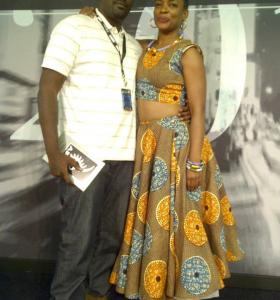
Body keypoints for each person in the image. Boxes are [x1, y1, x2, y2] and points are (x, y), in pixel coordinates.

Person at [89, 0, 244, 299]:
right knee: (153, 220)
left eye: (172, 5)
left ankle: (186, 290)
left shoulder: (188, 52)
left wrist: (195, 164)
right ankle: (153, 285)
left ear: (184, 14)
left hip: (176, 146)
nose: (163, 10)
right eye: (159, 4)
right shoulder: (143, 49)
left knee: (179, 219)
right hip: (147, 145)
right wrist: (89, 14)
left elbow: (198, 112)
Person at [38, 1, 189, 299]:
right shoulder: (73, 27)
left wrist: (177, 110)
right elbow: (47, 89)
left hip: (126, 156)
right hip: (84, 154)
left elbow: (144, 96)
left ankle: (95, 294)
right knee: (78, 241)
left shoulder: (132, 45)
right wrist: (54, 153)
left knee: (112, 240)